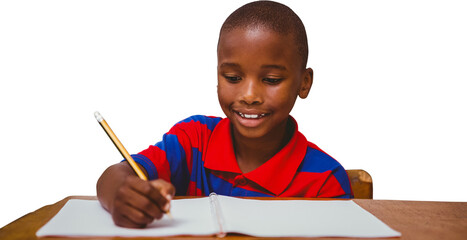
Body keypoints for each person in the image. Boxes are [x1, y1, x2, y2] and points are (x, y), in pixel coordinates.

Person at [97, 0, 353, 228]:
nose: (249, 95)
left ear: (304, 83)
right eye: (233, 77)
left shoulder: (325, 181)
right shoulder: (193, 140)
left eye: (271, 79)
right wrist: (123, 192)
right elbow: (115, 176)